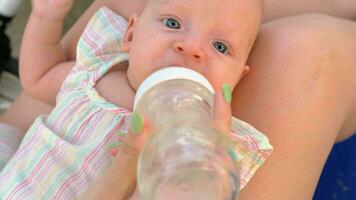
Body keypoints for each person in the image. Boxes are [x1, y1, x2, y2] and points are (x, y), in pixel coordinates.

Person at [0, 0, 355, 199]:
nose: (191, 48)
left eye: (220, 48)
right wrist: (47, 17)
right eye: (171, 23)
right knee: (308, 53)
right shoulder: (98, 72)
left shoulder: (209, 134)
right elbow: (39, 79)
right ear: (130, 34)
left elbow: (37, 80)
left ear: (240, 77)